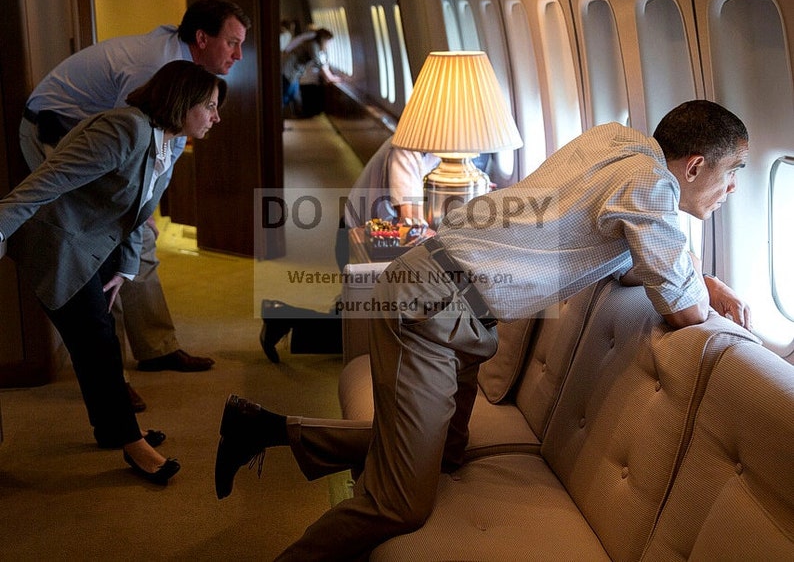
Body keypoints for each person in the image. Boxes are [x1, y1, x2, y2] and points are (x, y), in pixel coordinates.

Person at [214, 100, 754, 559]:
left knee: (445, 454)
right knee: (399, 504)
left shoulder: (614, 140)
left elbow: (629, 261)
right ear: (695, 165)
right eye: (734, 172)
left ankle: (264, 428)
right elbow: (683, 310)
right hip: (429, 308)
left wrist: (701, 278)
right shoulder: (651, 186)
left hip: (461, 311)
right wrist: (705, 288)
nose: (732, 188)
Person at [0, 60, 226, 484]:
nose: (217, 117)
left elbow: (135, 214)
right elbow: (47, 181)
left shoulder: (170, 145)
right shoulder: (124, 130)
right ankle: (131, 443)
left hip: (97, 241)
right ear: (182, 103)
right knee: (98, 341)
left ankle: (110, 430)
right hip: (58, 240)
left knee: (96, 336)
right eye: (210, 106)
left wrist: (124, 268)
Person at [19, 0, 251, 409]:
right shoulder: (157, 69)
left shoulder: (189, 74)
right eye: (232, 43)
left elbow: (169, 150)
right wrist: (138, 212)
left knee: (138, 238)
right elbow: (133, 142)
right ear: (202, 38)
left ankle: (157, 346)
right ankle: (112, 377)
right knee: (101, 247)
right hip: (53, 129)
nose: (238, 54)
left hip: (106, 140)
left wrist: (148, 209)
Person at [258, 137, 440, 363]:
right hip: (358, 246)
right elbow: (412, 223)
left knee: (360, 326)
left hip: (368, 243)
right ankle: (282, 317)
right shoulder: (406, 150)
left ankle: (281, 315)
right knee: (368, 338)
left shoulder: (436, 149)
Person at [281, 27, 340, 108]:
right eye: (328, 42)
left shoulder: (315, 45)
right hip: (288, 70)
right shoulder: (312, 45)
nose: (329, 44)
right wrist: (330, 77)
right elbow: (318, 62)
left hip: (294, 72)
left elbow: (323, 62)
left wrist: (328, 76)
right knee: (288, 93)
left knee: (292, 93)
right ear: (323, 39)